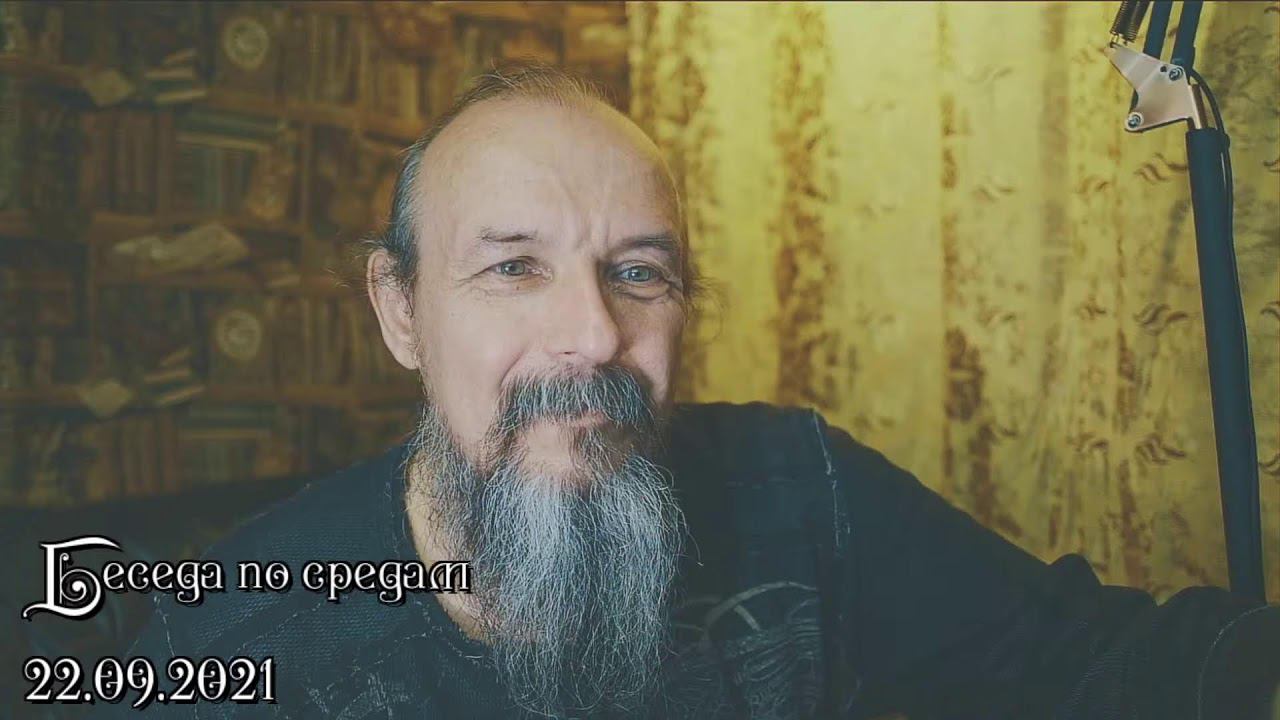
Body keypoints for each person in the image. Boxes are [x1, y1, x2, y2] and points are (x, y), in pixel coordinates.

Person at [106, 64, 1279, 720]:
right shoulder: (235, 641)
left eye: (637, 273)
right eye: (512, 268)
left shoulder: (798, 491)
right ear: (400, 309)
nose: (593, 335)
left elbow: (1094, 662)